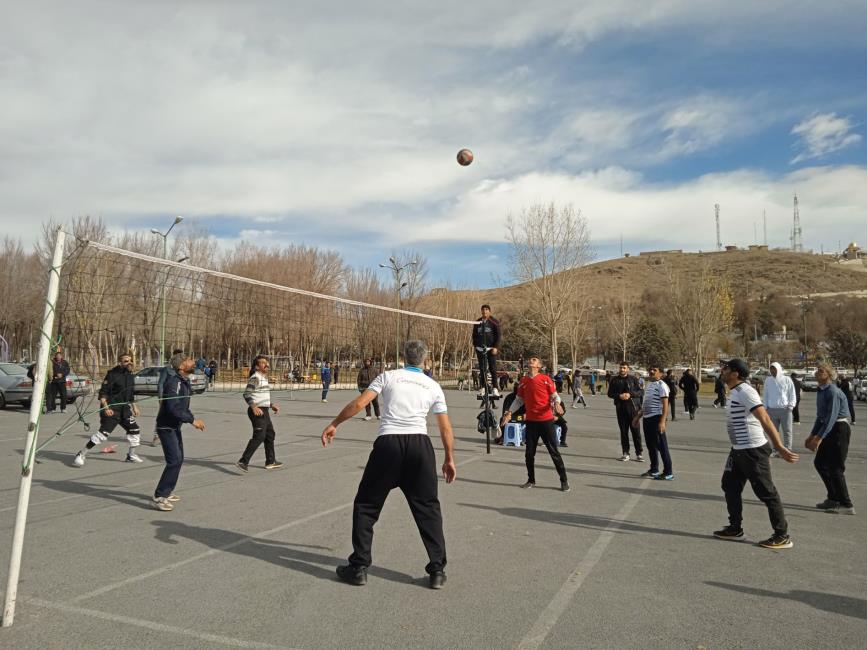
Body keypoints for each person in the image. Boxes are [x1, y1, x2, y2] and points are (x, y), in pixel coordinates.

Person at [322, 340, 456, 589]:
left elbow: (360, 403)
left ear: (404, 357)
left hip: (389, 444)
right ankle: (437, 570)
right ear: (425, 360)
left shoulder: (388, 376)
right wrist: (449, 458)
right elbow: (445, 426)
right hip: (420, 447)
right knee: (428, 508)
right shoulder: (433, 385)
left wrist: (334, 424)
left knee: (366, 505)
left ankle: (359, 567)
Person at [713, 359, 799, 549]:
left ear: (735, 374)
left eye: (726, 368)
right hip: (738, 449)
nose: (722, 370)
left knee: (766, 492)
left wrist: (780, 446)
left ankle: (782, 535)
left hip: (753, 450)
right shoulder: (735, 391)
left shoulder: (746, 391)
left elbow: (765, 418)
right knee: (729, 485)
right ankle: (735, 529)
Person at [501, 356, 570, 492]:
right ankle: (531, 480)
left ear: (538, 365)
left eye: (534, 360)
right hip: (531, 422)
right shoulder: (524, 381)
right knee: (529, 454)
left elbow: (555, 396)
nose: (530, 361)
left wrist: (556, 404)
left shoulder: (545, 379)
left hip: (546, 421)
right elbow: (519, 400)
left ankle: (564, 481)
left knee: (554, 452)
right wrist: (509, 412)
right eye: (530, 360)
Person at [153, 353, 206, 511]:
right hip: (166, 426)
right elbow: (173, 408)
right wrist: (192, 421)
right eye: (189, 360)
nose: (193, 361)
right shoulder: (174, 382)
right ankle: (159, 495)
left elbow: (183, 407)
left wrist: (192, 418)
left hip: (174, 426)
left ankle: (167, 491)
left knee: (179, 459)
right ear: (181, 366)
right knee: (174, 460)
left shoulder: (184, 381)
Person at [73, 353, 142, 466]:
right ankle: (81, 454)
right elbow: (103, 392)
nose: (129, 363)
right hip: (112, 409)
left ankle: (131, 455)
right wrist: (106, 408)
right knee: (103, 435)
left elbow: (130, 394)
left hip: (124, 409)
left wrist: (134, 406)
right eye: (126, 361)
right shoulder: (112, 374)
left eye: (130, 360)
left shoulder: (130, 375)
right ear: (120, 363)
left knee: (135, 430)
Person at [808, 363, 854, 515]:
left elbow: (831, 417)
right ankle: (833, 497)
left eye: (821, 371)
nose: (817, 373)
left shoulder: (833, 391)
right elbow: (821, 417)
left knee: (835, 468)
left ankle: (846, 504)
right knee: (820, 463)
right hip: (828, 428)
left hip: (839, 429)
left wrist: (819, 438)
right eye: (817, 370)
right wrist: (812, 435)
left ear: (828, 375)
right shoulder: (821, 391)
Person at [236, 355, 282, 472]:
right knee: (260, 436)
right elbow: (247, 394)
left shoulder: (263, 378)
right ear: (257, 366)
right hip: (257, 411)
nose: (266, 365)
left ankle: (270, 461)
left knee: (270, 434)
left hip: (264, 409)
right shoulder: (255, 378)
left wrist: (271, 405)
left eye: (266, 363)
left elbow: (261, 396)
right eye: (263, 363)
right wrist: (253, 407)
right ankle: (243, 461)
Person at [632, 366, 673, 479]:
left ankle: (668, 472)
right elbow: (646, 404)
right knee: (651, 445)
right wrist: (638, 417)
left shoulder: (662, 386)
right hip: (647, 418)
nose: (651, 372)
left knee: (662, 445)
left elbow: (665, 405)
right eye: (650, 370)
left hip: (657, 418)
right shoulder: (650, 385)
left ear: (660, 373)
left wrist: (662, 421)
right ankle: (654, 469)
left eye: (655, 370)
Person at [607, 362, 644, 462]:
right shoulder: (614, 380)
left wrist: (630, 394)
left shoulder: (633, 379)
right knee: (624, 432)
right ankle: (625, 453)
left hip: (633, 409)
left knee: (636, 432)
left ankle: (639, 453)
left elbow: (641, 392)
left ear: (628, 369)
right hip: (621, 409)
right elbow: (610, 393)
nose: (622, 369)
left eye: (624, 368)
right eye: (621, 368)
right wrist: (619, 396)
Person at [762, 362, 796, 453]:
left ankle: (787, 449)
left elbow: (792, 393)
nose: (773, 371)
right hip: (771, 410)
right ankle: (775, 450)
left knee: (787, 431)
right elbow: (765, 394)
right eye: (771, 369)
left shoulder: (787, 379)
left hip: (785, 409)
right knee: (774, 432)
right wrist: (765, 407)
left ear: (779, 369)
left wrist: (791, 405)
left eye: (774, 369)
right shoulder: (768, 380)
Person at [153, 347, 184, 447]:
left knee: (178, 417)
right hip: (167, 398)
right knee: (162, 417)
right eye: (178, 355)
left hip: (178, 398)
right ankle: (157, 436)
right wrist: (161, 398)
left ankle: (173, 436)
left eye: (181, 355)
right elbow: (161, 384)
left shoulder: (183, 369)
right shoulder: (167, 369)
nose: (180, 357)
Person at [472, 304, 501, 397]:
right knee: (482, 369)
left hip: (491, 349)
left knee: (493, 368)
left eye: (486, 310)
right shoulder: (477, 322)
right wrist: (475, 346)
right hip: (480, 349)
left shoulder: (494, 322)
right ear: (481, 311)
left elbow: (498, 336)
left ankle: (495, 388)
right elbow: (474, 335)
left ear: (489, 311)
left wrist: (496, 347)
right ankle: (483, 388)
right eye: (483, 310)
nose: (485, 311)